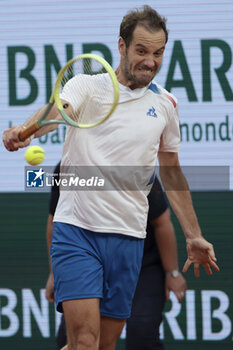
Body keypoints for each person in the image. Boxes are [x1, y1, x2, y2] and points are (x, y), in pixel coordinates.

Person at [3, 5, 219, 350]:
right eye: (141, 51)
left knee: (103, 346)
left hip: (128, 238)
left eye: (159, 53)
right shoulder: (87, 86)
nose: (151, 61)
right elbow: (59, 110)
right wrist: (27, 130)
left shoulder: (166, 105)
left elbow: (172, 170)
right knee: (85, 343)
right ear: (121, 46)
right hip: (77, 232)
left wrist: (194, 235)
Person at [45, 163, 187, 350]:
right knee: (75, 339)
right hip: (87, 260)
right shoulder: (67, 166)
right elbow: (54, 221)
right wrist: (56, 273)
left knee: (141, 333)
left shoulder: (133, 164)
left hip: (141, 265)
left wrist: (172, 272)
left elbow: (162, 223)